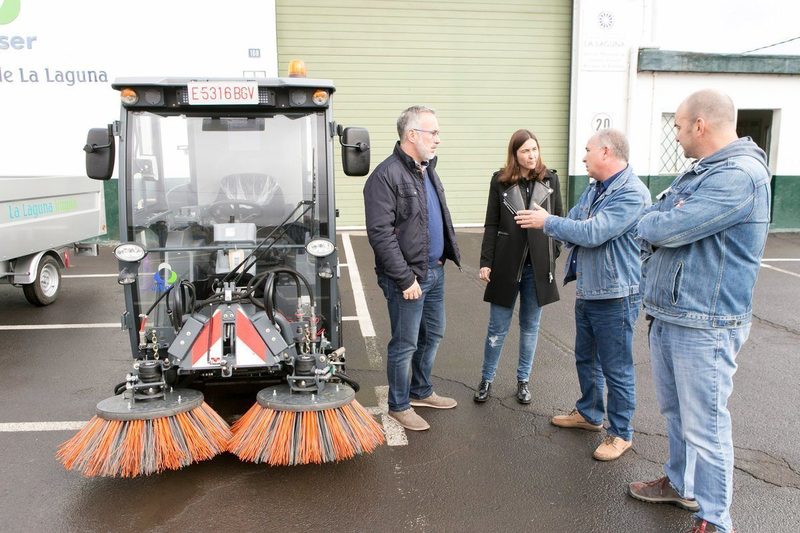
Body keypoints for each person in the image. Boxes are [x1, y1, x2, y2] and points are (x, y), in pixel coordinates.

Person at [628, 90, 771, 533]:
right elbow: (660, 216)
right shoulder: (704, 172)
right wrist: (662, 218)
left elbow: (662, 224)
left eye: (678, 125)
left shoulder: (739, 176)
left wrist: (662, 220)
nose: (677, 132)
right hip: (674, 314)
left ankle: (715, 519)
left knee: (706, 427)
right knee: (676, 415)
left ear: (700, 126)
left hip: (705, 323)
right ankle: (678, 482)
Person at [520, 128, 651, 461]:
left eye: (588, 150)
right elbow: (576, 224)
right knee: (585, 358)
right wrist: (568, 228)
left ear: (606, 152)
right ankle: (590, 414)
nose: (583, 157)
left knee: (616, 367)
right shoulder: (596, 190)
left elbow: (592, 232)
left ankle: (621, 433)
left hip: (616, 294)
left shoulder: (632, 193)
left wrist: (550, 222)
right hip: (590, 289)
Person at [363, 105, 462, 432]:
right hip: (408, 278)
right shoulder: (385, 176)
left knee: (432, 333)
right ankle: (399, 405)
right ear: (411, 135)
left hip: (434, 270)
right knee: (405, 343)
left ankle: (420, 391)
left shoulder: (426, 169)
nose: (438, 139)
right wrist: (405, 277)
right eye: (433, 132)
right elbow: (380, 233)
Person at [475, 129, 563, 404]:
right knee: (497, 327)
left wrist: (553, 252)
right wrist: (486, 262)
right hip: (505, 265)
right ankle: (486, 379)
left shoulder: (551, 180)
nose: (531, 155)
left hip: (537, 267)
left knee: (530, 327)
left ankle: (523, 381)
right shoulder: (499, 181)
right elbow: (491, 223)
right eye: (525, 150)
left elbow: (558, 219)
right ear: (514, 154)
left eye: (534, 149)